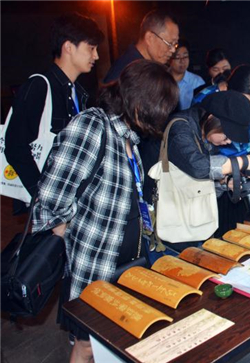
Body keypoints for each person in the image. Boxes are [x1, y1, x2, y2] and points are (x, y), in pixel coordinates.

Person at [32, 60, 179, 363]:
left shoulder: (129, 138)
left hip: (127, 263)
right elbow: (50, 196)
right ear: (140, 103)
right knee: (88, 344)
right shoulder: (92, 126)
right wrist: (69, 229)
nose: (162, 118)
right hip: (96, 263)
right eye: (160, 109)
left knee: (114, 342)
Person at [5, 13, 104, 203]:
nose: (96, 55)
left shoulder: (79, 93)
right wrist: (44, 201)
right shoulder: (40, 87)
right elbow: (15, 148)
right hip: (50, 204)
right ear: (68, 46)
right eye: (91, 48)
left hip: (71, 201)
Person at [139, 90, 250, 243]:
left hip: (188, 218)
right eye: (226, 135)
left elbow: (201, 183)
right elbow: (198, 167)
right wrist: (241, 162)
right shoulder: (180, 129)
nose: (229, 142)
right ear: (211, 119)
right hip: (164, 218)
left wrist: (226, 183)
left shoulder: (205, 133)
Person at [193, 65, 250, 201]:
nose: (248, 111)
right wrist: (224, 178)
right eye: (243, 104)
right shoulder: (206, 100)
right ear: (227, 90)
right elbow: (198, 154)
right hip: (216, 174)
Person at [103, 9, 179, 83]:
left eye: (175, 44)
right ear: (150, 38)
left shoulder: (150, 66)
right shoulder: (127, 73)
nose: (173, 50)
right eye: (170, 43)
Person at [169, 40, 205, 110]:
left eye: (185, 56)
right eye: (178, 57)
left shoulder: (197, 82)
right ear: (169, 59)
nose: (182, 61)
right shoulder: (161, 79)